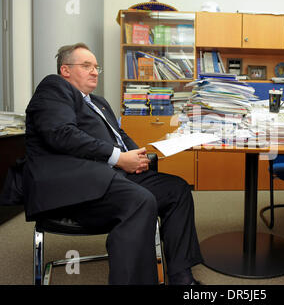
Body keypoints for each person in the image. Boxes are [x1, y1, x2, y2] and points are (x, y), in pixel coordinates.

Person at [23, 43, 203, 285]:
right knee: (140, 201)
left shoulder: (99, 102)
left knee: (177, 190)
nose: (95, 71)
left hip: (115, 175)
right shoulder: (54, 88)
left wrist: (137, 155)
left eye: (96, 67)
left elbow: (120, 135)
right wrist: (119, 158)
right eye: (86, 66)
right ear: (65, 70)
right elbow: (61, 133)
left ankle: (181, 276)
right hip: (77, 185)